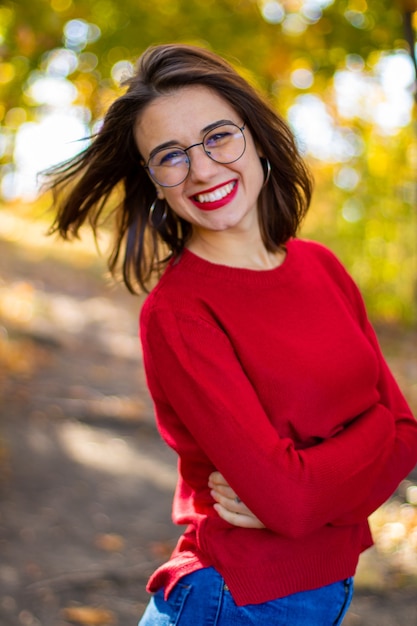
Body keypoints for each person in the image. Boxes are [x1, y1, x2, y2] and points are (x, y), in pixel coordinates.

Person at [45, 43, 417, 625]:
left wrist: (311, 483)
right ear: (154, 182)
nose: (201, 169)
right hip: (230, 600)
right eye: (170, 156)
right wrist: (356, 455)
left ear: (257, 136)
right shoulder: (179, 313)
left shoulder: (322, 267)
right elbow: (291, 502)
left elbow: (403, 433)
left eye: (219, 136)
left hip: (323, 590)